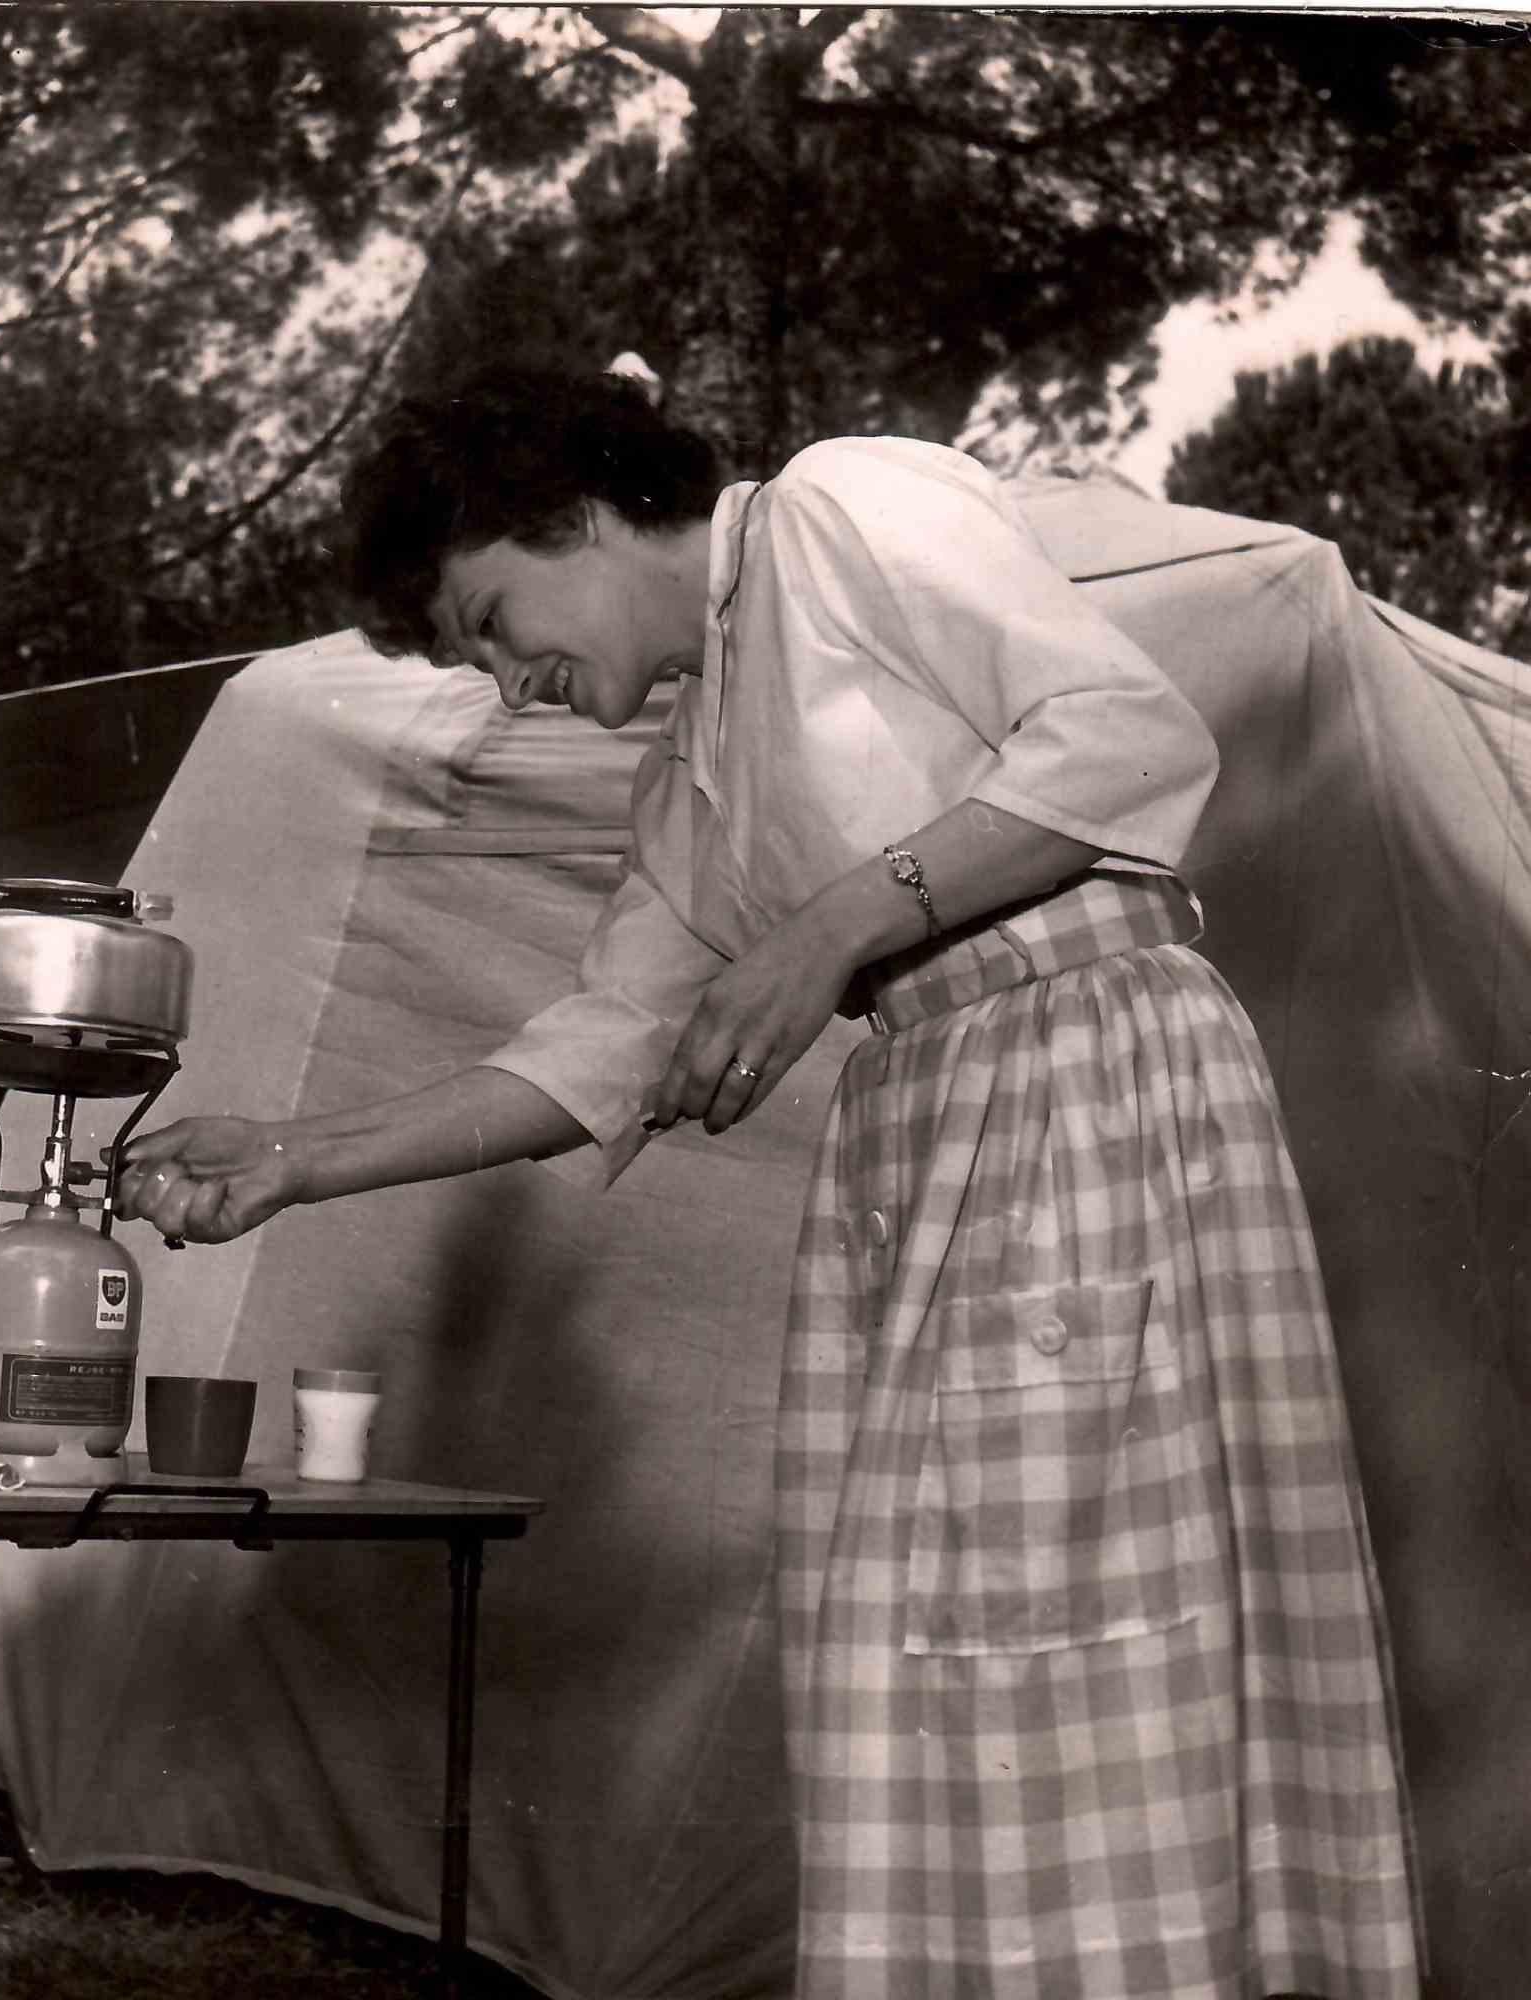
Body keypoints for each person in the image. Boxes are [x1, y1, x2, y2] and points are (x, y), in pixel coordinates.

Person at [115, 366, 1423, 1998]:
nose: (515, 688)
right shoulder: (695, 771)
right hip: (932, 1126)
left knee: (1080, 1658)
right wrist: (295, 1160)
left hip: (1084, 1075)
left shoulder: (840, 506)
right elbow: (594, 1052)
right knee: (931, 1671)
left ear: (571, 516)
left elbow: (1127, 735)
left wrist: (828, 930)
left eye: (496, 623)